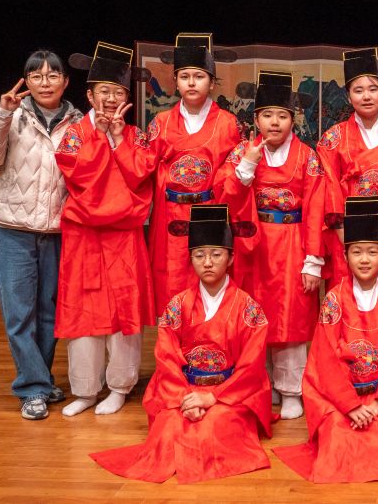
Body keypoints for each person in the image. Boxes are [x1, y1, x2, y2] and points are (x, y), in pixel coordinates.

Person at [91, 204, 273, 484]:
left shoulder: (248, 308)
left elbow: (251, 366)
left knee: (213, 427)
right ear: (191, 259)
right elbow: (166, 360)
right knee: (170, 426)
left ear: (231, 258)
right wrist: (185, 399)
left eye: (216, 254)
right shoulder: (177, 306)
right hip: (183, 391)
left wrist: (212, 397)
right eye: (199, 255)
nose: (208, 262)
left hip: (230, 394)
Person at [274, 196, 378, 483]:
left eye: (372, 252)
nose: (364, 259)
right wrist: (351, 406)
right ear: (345, 256)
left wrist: (377, 404)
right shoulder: (334, 301)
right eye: (356, 252)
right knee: (338, 440)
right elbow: (325, 361)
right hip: (342, 397)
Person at [0, 50, 82, 419]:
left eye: (53, 75)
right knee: (20, 314)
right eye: (36, 76)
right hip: (12, 228)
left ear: (65, 82)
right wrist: (1, 114)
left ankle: (41, 379)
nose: (45, 82)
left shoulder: (79, 123)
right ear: (26, 82)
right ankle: (32, 388)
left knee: (50, 314)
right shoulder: (12, 116)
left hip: (57, 230)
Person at [216, 70, 325, 420]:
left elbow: (316, 209)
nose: (274, 122)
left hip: (292, 243)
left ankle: (291, 389)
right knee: (253, 315)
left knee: (291, 319)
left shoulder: (307, 156)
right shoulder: (241, 152)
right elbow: (224, 197)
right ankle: (259, 383)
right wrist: (247, 164)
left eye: (282, 116)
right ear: (256, 120)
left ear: (293, 119)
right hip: (253, 244)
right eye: (267, 115)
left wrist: (313, 260)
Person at [54, 42, 155, 416]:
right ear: (89, 95)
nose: (111, 99)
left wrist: (117, 139)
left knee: (124, 309)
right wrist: (99, 137)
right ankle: (84, 390)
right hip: (85, 236)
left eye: (118, 93)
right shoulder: (75, 134)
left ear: (127, 98)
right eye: (104, 92)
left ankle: (119, 386)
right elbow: (79, 178)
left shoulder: (136, 136)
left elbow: (141, 177)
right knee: (84, 311)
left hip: (123, 237)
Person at [109, 32, 242, 313]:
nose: (191, 83)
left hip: (211, 212)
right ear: (175, 81)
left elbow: (233, 173)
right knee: (171, 286)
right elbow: (141, 168)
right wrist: (119, 139)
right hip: (170, 216)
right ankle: (173, 341)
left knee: (209, 284)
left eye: (199, 76)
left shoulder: (228, 124)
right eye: (184, 76)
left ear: (212, 82)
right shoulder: (161, 122)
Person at [317, 48, 378, 286]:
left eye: (373, 89)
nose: (366, 96)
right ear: (348, 96)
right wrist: (346, 240)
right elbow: (328, 190)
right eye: (358, 90)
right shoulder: (333, 139)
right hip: (346, 237)